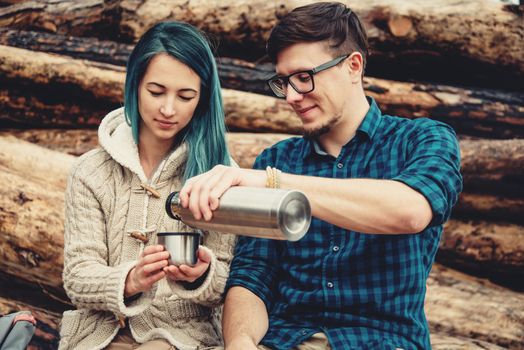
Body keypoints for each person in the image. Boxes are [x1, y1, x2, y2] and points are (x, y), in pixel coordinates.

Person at [178, 2, 463, 350]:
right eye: (284, 82)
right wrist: (240, 341)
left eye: (304, 77)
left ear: (353, 66)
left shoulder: (423, 139)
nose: (293, 96)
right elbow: (254, 276)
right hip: (285, 340)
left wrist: (273, 183)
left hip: (382, 341)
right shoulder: (277, 159)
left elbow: (410, 211)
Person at [58, 21, 236, 350]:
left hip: (178, 337)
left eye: (185, 96)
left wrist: (200, 276)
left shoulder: (220, 175)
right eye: (156, 92)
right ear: (135, 84)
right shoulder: (90, 171)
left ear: (203, 98)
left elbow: (231, 282)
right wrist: (129, 280)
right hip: (96, 335)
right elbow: (78, 275)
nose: (168, 109)